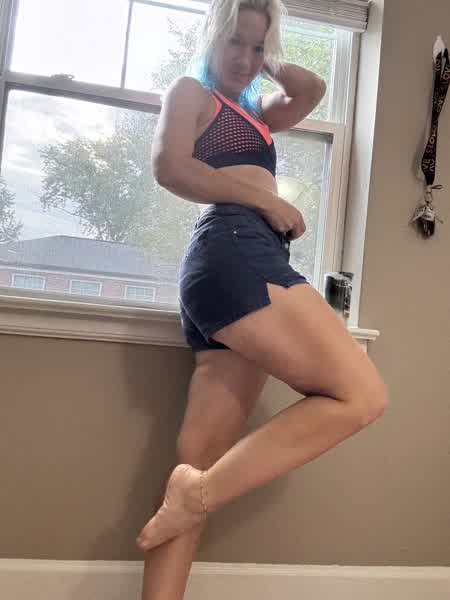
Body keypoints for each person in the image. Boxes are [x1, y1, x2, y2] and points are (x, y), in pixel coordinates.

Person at [136, 0, 389, 598]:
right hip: (235, 247)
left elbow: (312, 88)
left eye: (257, 48)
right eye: (235, 43)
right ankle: (195, 495)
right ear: (211, 37)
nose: (245, 59)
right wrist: (267, 201)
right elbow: (169, 167)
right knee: (363, 395)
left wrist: (265, 55)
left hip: (232, 263)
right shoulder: (192, 93)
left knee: (194, 466)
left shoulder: (253, 111)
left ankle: (190, 499)